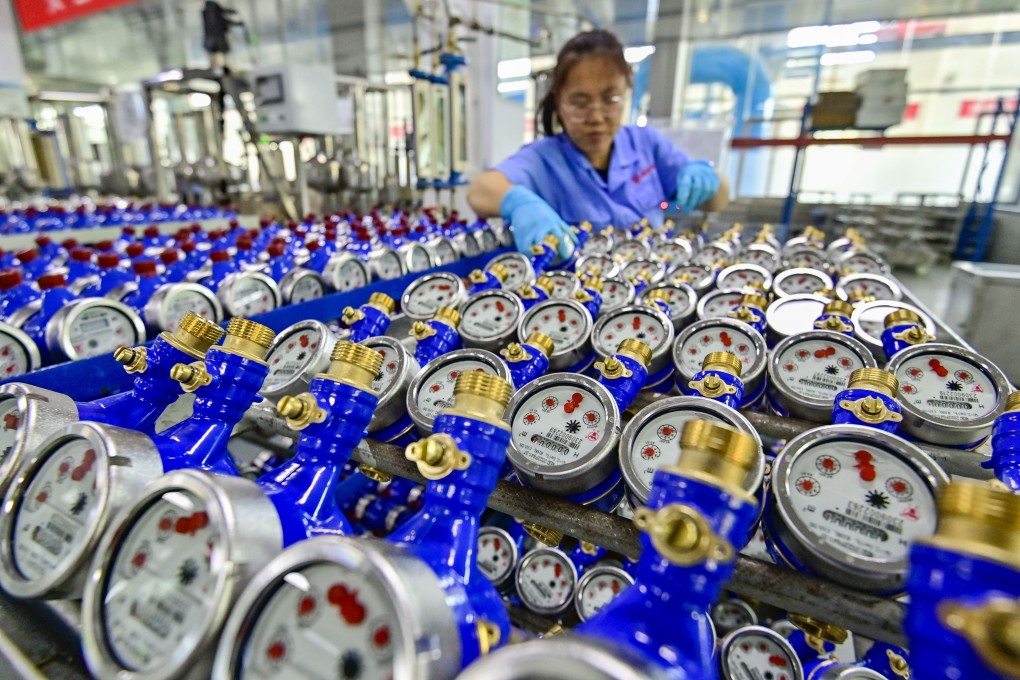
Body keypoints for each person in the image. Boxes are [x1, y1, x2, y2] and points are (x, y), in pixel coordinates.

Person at [468, 29, 730, 260]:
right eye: (580, 103)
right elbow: (480, 191)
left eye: (609, 99)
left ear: (627, 93)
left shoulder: (646, 143)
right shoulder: (544, 158)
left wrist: (709, 177)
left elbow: (716, 202)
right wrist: (518, 203)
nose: (596, 117)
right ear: (559, 103)